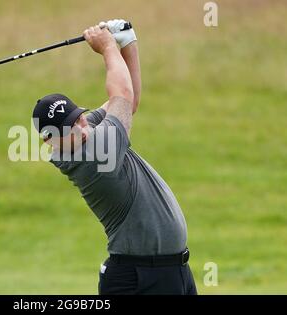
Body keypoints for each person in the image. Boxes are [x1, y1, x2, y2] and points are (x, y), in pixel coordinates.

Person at [32, 19, 197, 295]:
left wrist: (127, 42)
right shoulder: (93, 155)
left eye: (78, 118)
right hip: (139, 277)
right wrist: (108, 47)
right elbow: (121, 93)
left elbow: (128, 102)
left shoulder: (85, 134)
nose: (81, 127)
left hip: (171, 272)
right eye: (69, 128)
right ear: (51, 141)